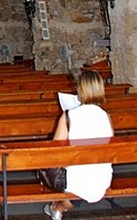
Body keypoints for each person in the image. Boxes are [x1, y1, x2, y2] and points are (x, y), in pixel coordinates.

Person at [43, 70, 114, 220]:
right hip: (103, 178)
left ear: (80, 90)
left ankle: (58, 205)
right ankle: (59, 205)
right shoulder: (106, 116)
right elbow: (109, 146)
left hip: (76, 181)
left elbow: (55, 151)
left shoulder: (69, 115)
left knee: (46, 164)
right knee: (86, 173)